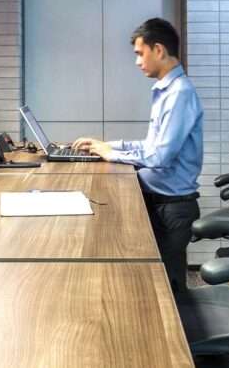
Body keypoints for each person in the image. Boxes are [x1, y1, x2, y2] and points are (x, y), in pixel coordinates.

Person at [73, 18, 203, 292]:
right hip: (163, 202)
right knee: (164, 286)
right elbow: (150, 146)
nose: (137, 62)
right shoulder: (167, 92)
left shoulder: (179, 93)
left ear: (158, 50)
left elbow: (160, 157)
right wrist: (108, 146)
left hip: (171, 207)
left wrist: (113, 155)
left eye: (139, 53)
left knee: (166, 291)